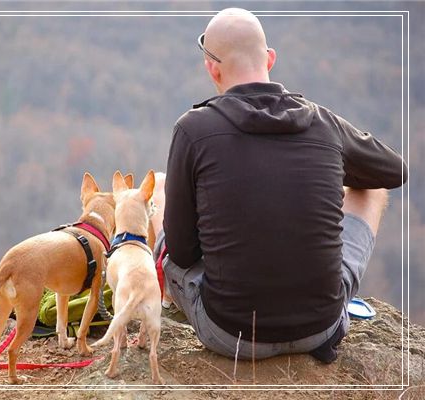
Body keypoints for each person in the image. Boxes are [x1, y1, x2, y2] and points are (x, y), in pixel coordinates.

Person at [152, 8, 407, 362]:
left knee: (161, 188)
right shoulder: (323, 123)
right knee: (372, 187)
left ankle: (165, 304)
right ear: (270, 58)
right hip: (321, 327)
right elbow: (393, 171)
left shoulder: (192, 130)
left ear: (212, 67)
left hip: (229, 333)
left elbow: (181, 253)